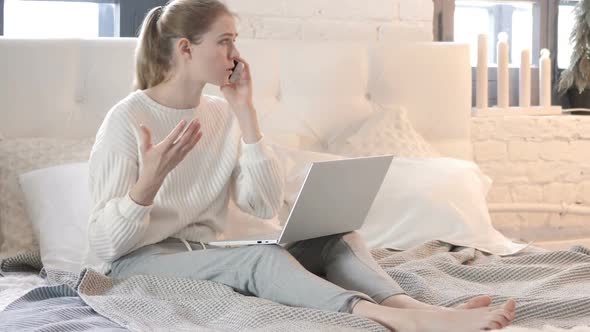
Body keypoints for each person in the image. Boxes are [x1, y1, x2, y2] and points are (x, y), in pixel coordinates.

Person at [83, 0, 516, 330]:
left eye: (235, 40)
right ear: (185, 49)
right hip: (135, 264)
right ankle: (393, 321)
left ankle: (411, 307)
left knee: (336, 236)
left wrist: (246, 114)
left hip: (206, 254)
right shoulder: (126, 120)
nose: (235, 53)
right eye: (225, 41)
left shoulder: (219, 114)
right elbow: (105, 247)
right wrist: (148, 185)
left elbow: (262, 205)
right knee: (261, 260)